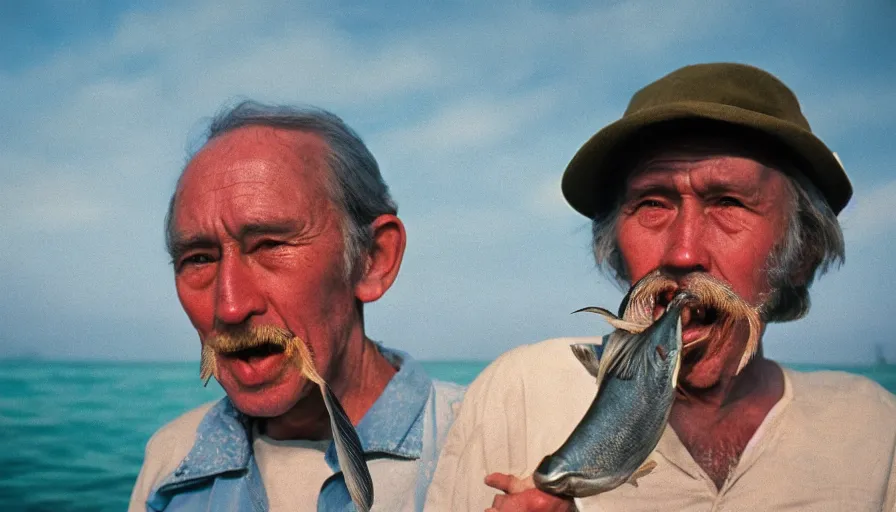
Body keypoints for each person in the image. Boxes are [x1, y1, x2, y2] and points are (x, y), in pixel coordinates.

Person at [424, 63, 896, 511]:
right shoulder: (524, 393)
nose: (683, 253)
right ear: (613, 244)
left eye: (727, 202)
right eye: (653, 203)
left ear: (801, 254)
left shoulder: (871, 426)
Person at [128, 102, 464, 511]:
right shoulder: (171, 461)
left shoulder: (487, 446)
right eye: (199, 258)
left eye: (270, 245)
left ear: (372, 259)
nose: (230, 307)